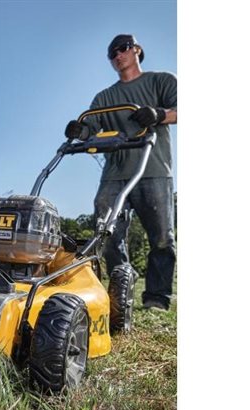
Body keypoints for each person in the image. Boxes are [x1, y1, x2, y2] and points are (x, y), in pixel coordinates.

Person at [65, 34, 177, 311]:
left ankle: (156, 298)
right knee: (106, 230)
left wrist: (158, 114)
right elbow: (90, 126)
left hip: (153, 168)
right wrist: (80, 131)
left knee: (162, 237)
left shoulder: (160, 81)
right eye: (112, 53)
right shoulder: (105, 97)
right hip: (115, 174)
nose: (117, 55)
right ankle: (121, 288)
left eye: (123, 48)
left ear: (137, 49)